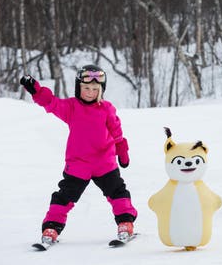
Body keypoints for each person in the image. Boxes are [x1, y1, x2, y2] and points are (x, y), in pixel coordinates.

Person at [20, 64, 137, 246]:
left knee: (117, 192)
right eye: (86, 88)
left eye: (94, 89)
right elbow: (52, 103)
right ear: (78, 87)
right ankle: (51, 227)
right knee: (64, 196)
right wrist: (36, 90)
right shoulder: (71, 107)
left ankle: (125, 222)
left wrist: (121, 147)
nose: (90, 92)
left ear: (101, 90)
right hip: (78, 164)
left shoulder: (106, 108)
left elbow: (116, 130)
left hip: (104, 162)